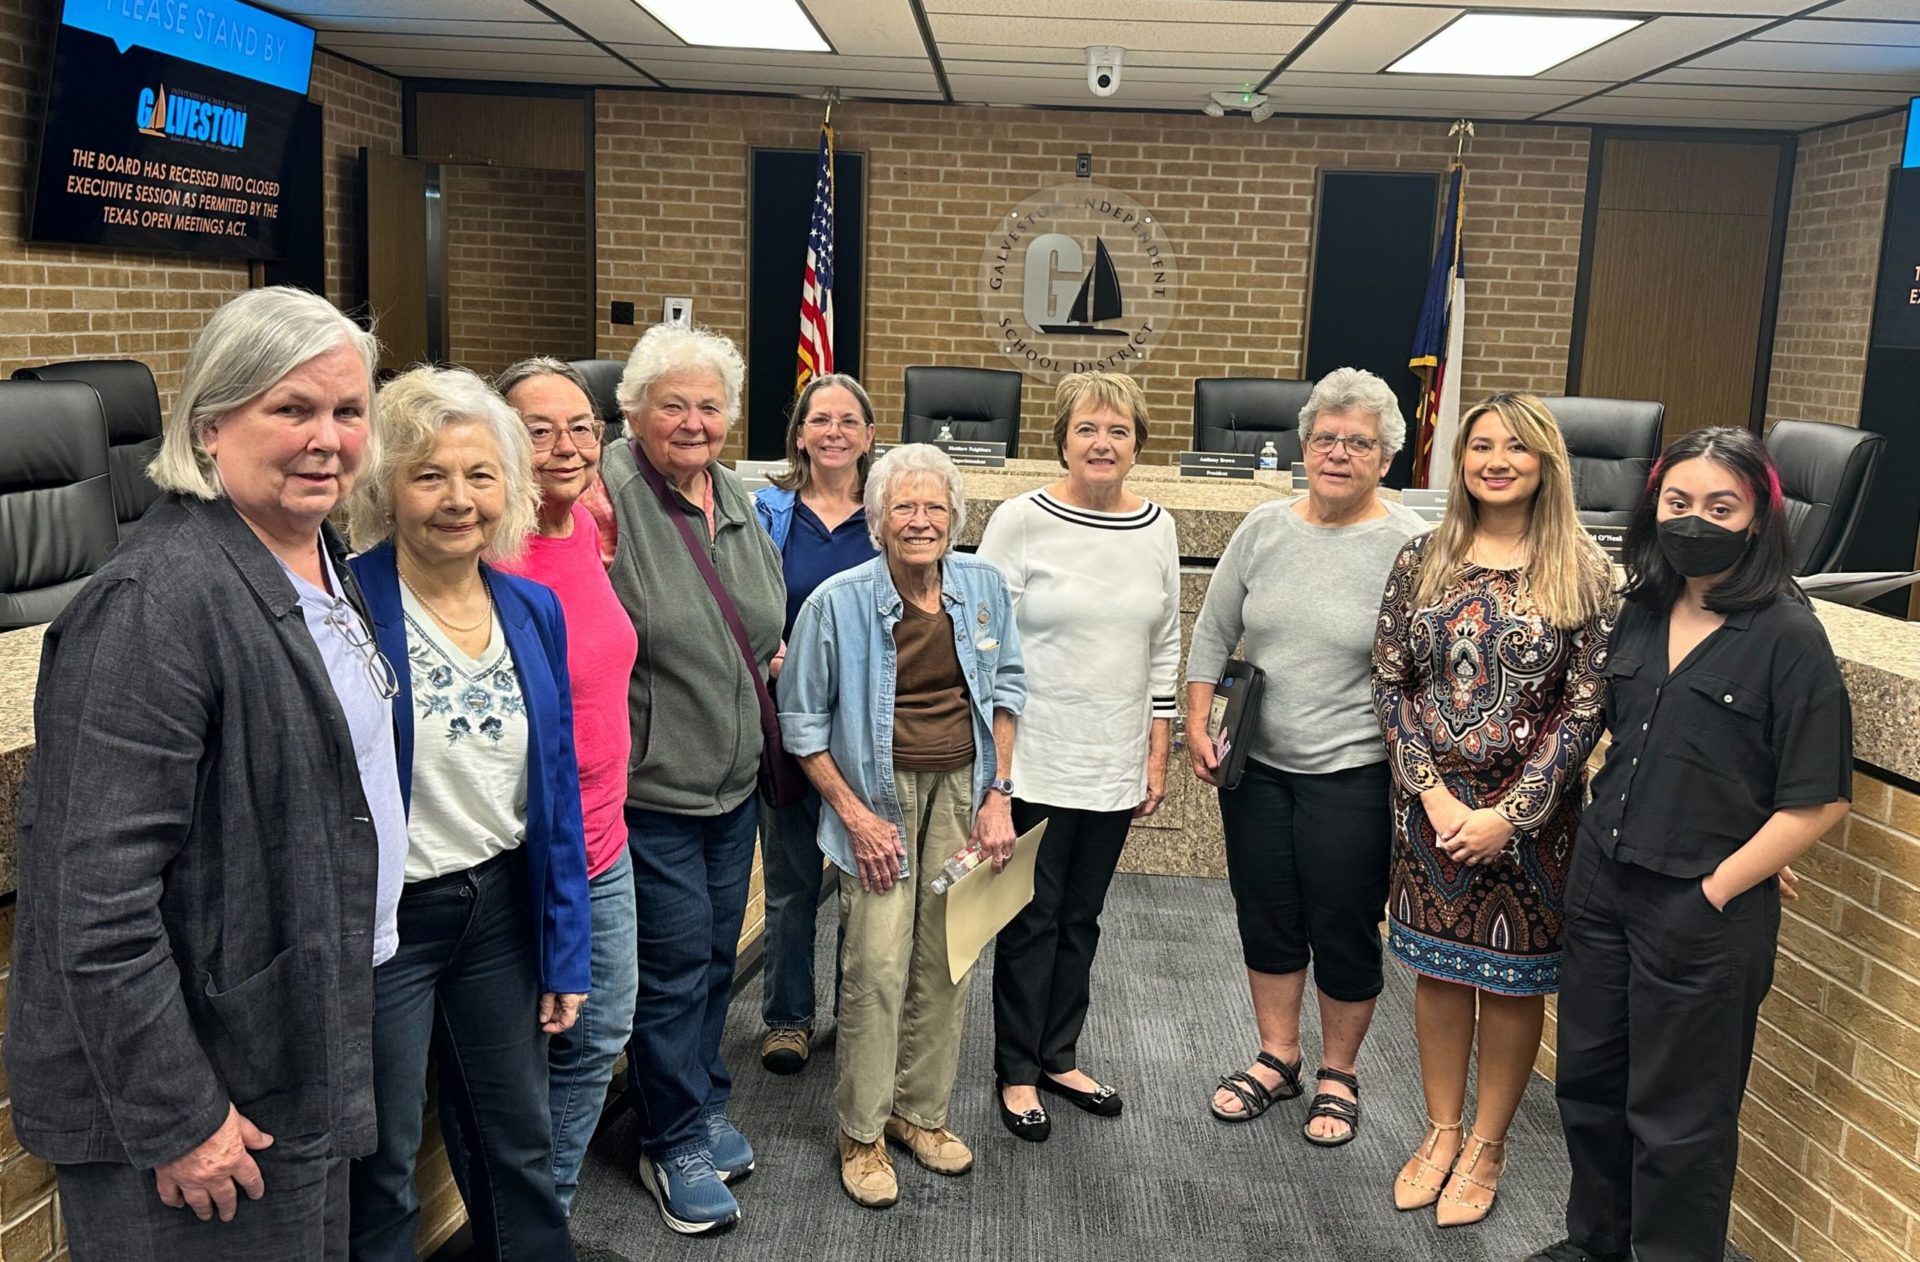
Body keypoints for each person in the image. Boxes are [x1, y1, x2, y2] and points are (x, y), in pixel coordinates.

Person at [4, 286, 406, 1260]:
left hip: (289, 1038)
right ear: (212, 423)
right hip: (198, 1089)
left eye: (348, 411)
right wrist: (180, 1113)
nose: (327, 438)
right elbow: (92, 911)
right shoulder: (152, 606)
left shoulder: (317, 554)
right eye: (292, 408)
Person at [1527, 428, 1851, 1262]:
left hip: (1702, 909)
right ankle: (1595, 1243)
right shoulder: (1637, 610)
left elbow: (1817, 802)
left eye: (1720, 506)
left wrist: (1721, 885)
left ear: (1758, 519)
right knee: (1590, 1088)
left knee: (1679, 1121)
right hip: (1604, 885)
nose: (1694, 520)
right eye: (1678, 502)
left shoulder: (1789, 636)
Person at [344, 366, 591, 1262]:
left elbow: (553, 796)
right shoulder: (346, 608)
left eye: (481, 475)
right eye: (429, 475)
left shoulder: (533, 607)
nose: (459, 499)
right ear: (385, 487)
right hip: (385, 929)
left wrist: (566, 949)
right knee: (378, 1164)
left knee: (515, 1143)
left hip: (499, 914)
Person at [1372, 392, 1614, 1227]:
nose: (1496, 460)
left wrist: (1512, 813)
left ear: (1546, 462)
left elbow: (1585, 707)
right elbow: (1389, 681)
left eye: (1516, 447)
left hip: (1531, 827)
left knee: (1511, 984)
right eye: (1480, 446)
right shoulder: (1423, 555)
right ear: (1459, 461)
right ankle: (1441, 1133)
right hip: (1429, 812)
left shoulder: (1585, 567)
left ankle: (1489, 1144)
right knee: (1440, 974)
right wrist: (1434, 794)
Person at [778, 444, 1026, 1210]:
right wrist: (854, 816)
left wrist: (999, 796)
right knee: (878, 968)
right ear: (877, 520)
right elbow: (800, 722)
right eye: (904, 508)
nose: (920, 521)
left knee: (946, 960)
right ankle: (861, 1133)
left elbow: (1009, 686)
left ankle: (921, 1115)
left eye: (935, 507)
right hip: (875, 805)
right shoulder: (835, 602)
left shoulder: (983, 586)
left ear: (956, 516)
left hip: (963, 795)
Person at [1187, 367, 1425, 1147]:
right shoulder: (1262, 529)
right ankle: (1277, 1057)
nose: (1338, 453)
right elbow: (1214, 632)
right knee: (1268, 913)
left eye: (1359, 443)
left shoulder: (1411, 549)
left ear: (1385, 458)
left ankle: (1340, 1074)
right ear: (1303, 444)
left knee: (1344, 921)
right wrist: (1197, 718)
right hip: (1255, 767)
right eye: (1326, 438)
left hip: (1353, 773)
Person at [600, 323, 784, 1236]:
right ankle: (666, 1135)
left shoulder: (738, 495)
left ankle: (702, 1094)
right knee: (670, 969)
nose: (692, 421)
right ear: (634, 409)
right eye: (672, 403)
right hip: (654, 787)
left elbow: (761, 623)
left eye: (709, 405)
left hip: (734, 780)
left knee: (716, 953)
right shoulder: (610, 493)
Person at [976, 370, 1179, 1141]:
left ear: (1138, 446)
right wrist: (995, 771)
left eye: (1119, 430)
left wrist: (1155, 754)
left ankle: (1060, 1054)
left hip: (1114, 756)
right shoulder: (1021, 520)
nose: (1103, 443)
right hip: (1034, 755)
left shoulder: (1156, 526)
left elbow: (1164, 645)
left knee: (1083, 919)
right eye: (1088, 429)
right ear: (1061, 438)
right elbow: (984, 643)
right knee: (1031, 919)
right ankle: (1017, 1072)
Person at [491, 357, 641, 1213]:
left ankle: (547, 1214)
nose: (567, 445)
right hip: (522, 852)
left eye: (582, 426)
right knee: (524, 1055)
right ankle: (522, 1224)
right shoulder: (485, 551)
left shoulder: (581, 527)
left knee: (598, 1037)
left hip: (604, 839)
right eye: (537, 429)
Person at [752, 372, 880, 1075]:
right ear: (799, 434)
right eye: (819, 419)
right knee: (795, 879)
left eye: (848, 420)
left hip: (868, 722)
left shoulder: (890, 512)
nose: (833, 431)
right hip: (789, 720)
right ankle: (787, 1018)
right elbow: (743, 598)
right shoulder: (768, 511)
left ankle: (856, 1015)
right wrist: (769, 647)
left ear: (867, 435)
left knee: (866, 880)